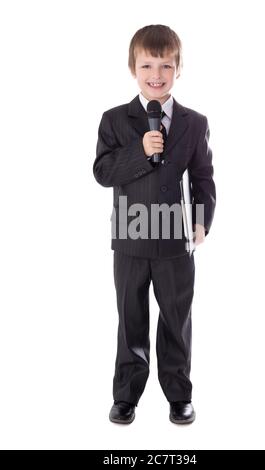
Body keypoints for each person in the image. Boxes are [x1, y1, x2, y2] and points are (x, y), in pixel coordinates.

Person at [93, 24, 216, 424]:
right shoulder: (114, 120)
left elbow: (203, 177)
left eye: (166, 65)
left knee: (177, 320)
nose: (156, 74)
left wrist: (200, 222)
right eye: (147, 64)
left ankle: (179, 394)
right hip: (130, 237)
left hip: (174, 240)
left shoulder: (194, 123)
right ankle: (126, 395)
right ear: (133, 68)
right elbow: (103, 171)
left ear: (179, 69)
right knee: (130, 319)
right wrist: (139, 150)